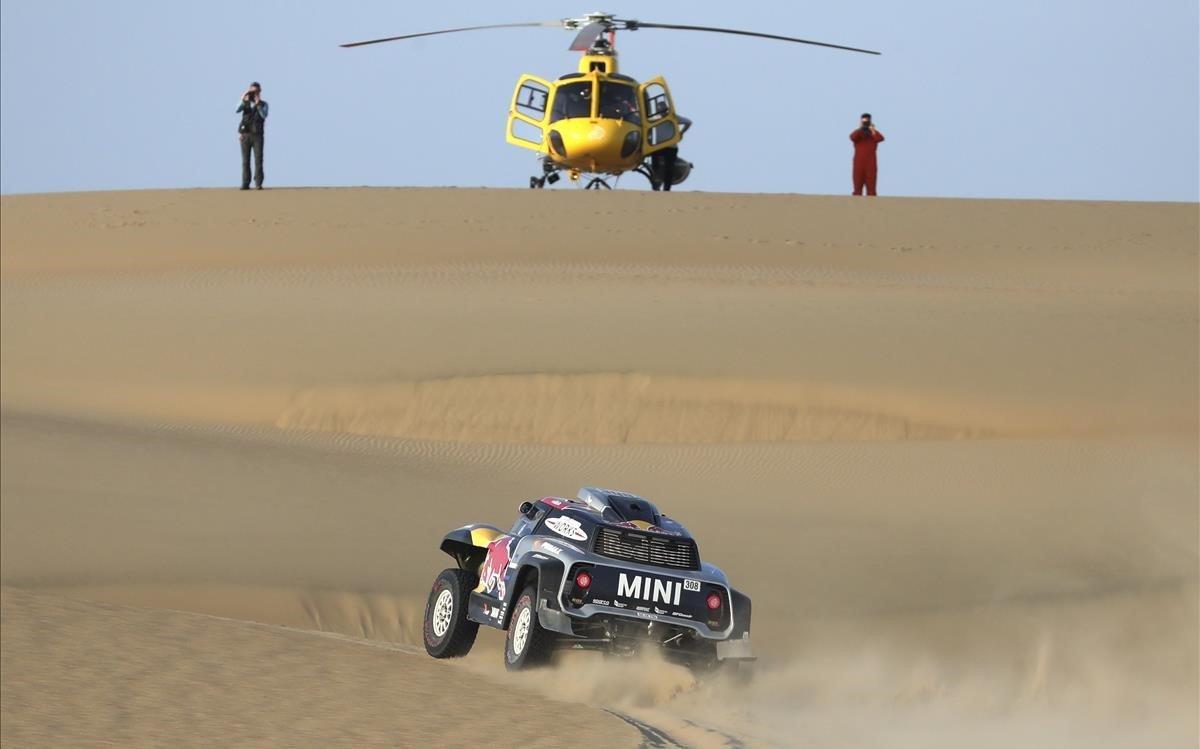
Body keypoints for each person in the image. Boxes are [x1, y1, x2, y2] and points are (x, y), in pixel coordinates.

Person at [236, 82, 269, 190]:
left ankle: (258, 183)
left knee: (258, 160)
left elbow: (264, 115)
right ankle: (245, 183)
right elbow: (237, 110)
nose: (254, 93)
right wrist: (244, 95)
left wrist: (258, 103)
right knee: (245, 161)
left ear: (260, 91)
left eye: (256, 91)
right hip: (245, 135)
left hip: (258, 136)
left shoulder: (264, 104)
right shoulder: (245, 102)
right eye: (252, 91)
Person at [850, 113, 884, 196]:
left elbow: (881, 138)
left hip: (870, 164)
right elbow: (852, 137)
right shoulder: (858, 134)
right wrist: (860, 128)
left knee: (871, 190)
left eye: (867, 121)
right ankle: (855, 207)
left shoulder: (873, 135)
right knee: (857, 189)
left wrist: (872, 130)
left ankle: (872, 207)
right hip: (858, 164)